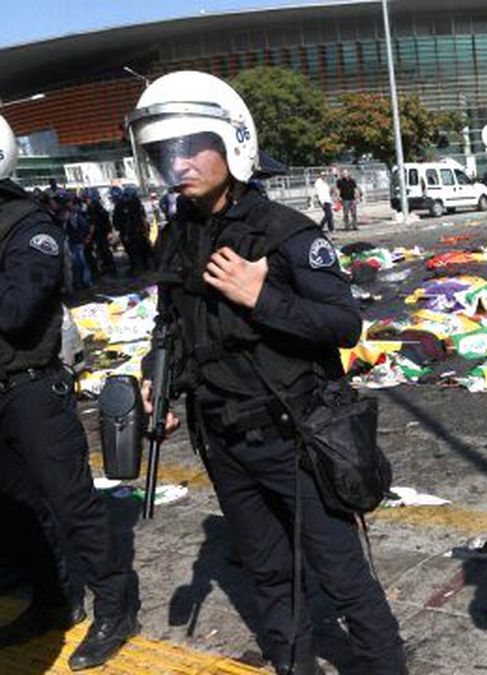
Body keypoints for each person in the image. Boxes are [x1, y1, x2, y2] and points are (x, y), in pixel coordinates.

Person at [126, 71, 403, 675]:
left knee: (343, 574)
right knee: (269, 576)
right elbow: (168, 322)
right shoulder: (174, 237)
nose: (180, 164)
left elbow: (343, 325)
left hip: (295, 436)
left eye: (190, 146)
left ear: (233, 143)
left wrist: (263, 298)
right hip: (222, 438)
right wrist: (160, 379)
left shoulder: (287, 233)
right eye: (164, 152)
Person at [0, 113, 140, 669]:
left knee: (71, 503)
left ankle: (116, 606)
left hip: (32, 388)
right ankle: (53, 599)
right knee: (16, 512)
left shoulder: (25, 224)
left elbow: (16, 311)